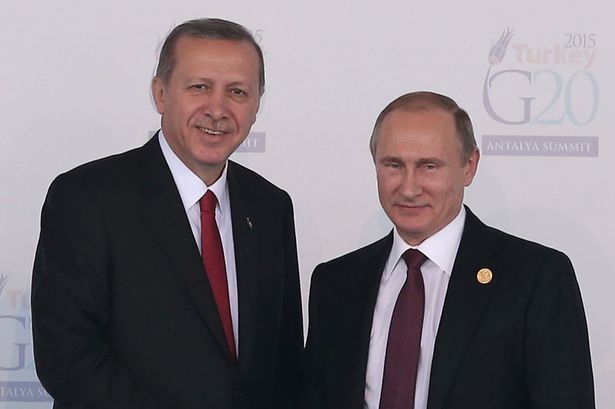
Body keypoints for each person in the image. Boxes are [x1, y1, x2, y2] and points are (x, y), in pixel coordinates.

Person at [31, 18, 303, 409]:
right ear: (160, 93)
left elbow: (285, 361)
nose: (217, 109)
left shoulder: (271, 207)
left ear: (258, 104)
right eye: (199, 87)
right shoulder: (87, 198)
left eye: (238, 91)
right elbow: (67, 356)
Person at [302, 91, 595, 409]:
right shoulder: (335, 283)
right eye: (394, 165)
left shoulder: (536, 278)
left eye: (429, 166)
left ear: (469, 166)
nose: (409, 187)